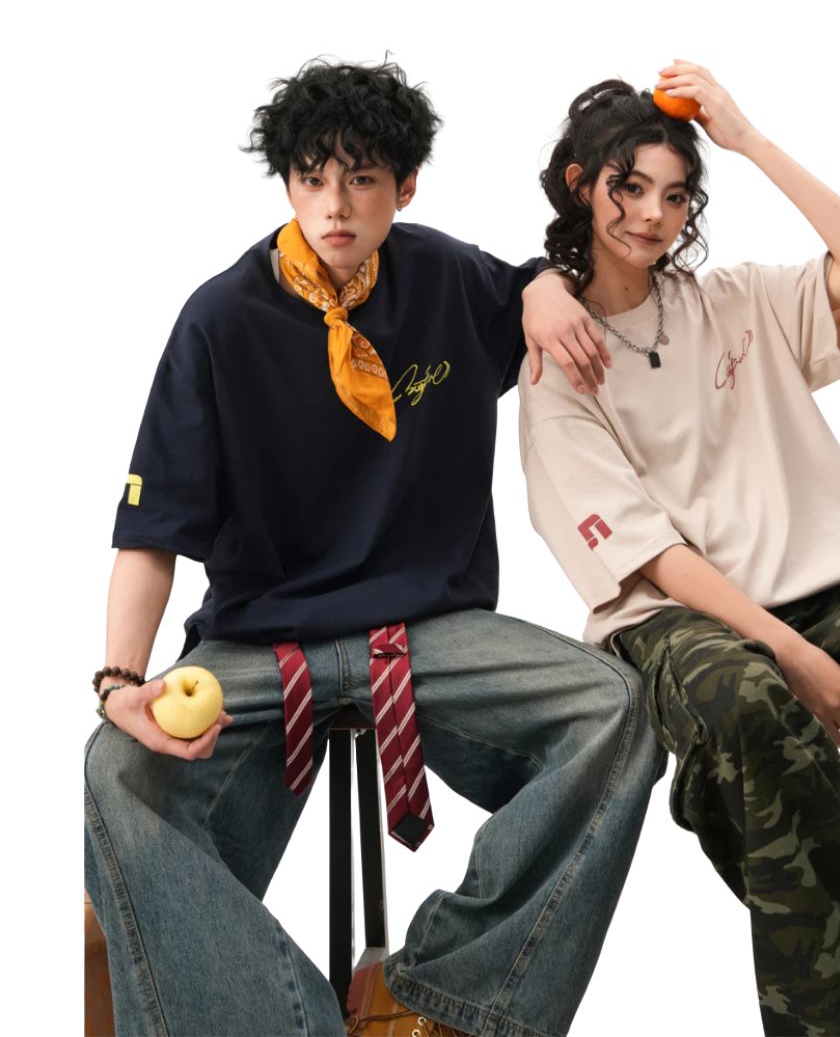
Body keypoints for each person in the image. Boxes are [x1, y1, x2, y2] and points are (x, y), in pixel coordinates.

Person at [83, 59, 664, 1037]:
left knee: (612, 708)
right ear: (286, 184)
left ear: (406, 185)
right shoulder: (219, 319)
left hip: (428, 629)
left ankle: (440, 997)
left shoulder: (446, 277)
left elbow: (546, 284)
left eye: (361, 179)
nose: (336, 206)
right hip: (260, 643)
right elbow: (152, 532)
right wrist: (119, 679)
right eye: (312, 178)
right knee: (116, 772)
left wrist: (540, 286)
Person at [518, 62, 840, 1037]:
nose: (653, 215)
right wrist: (788, 649)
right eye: (628, 187)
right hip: (678, 619)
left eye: (675, 193)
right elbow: (650, 554)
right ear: (580, 185)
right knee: (745, 706)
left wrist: (747, 138)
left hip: (836, 587)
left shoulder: (734, 300)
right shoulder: (555, 366)